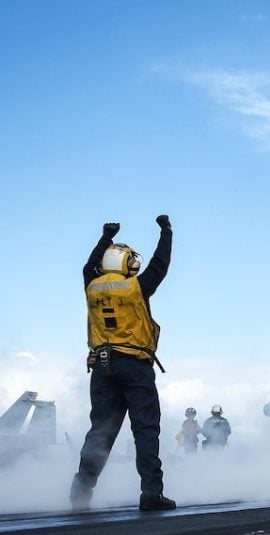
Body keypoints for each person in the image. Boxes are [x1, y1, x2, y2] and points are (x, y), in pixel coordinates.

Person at [70, 215, 176, 513]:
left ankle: (80, 493)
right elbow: (160, 264)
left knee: (100, 432)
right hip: (135, 366)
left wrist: (106, 235)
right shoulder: (136, 288)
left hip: (101, 367)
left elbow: (88, 266)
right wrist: (166, 232)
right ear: (128, 264)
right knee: (145, 429)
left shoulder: (91, 285)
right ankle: (151, 493)